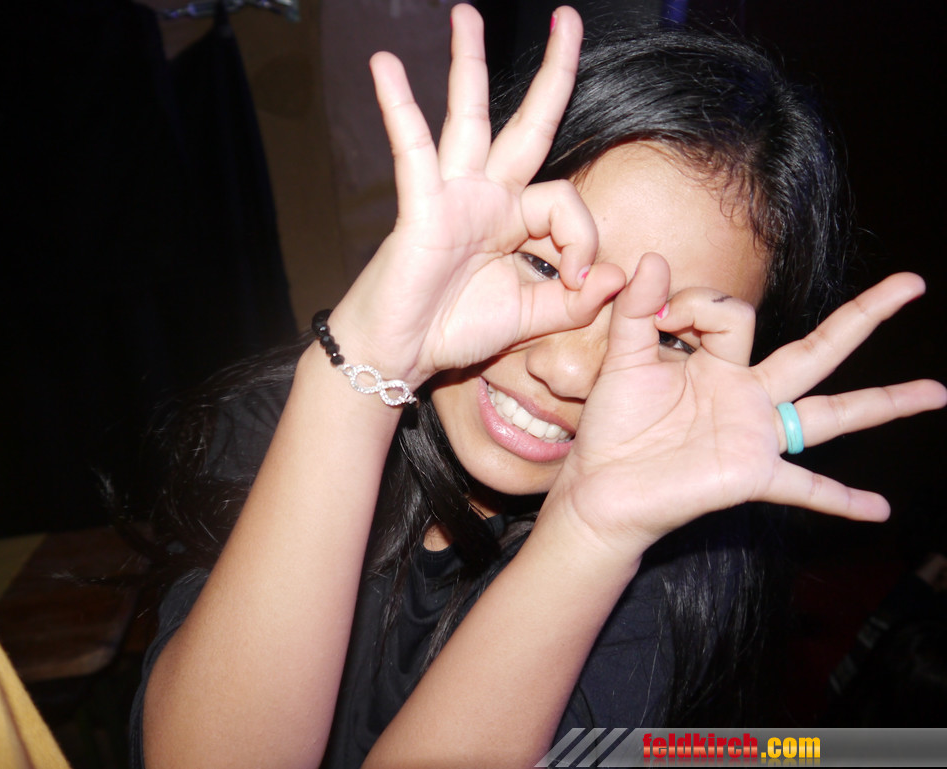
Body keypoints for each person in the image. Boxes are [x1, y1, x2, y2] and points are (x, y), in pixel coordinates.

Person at [130, 6, 947, 768]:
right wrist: (360, 369)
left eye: (667, 339)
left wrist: (591, 533)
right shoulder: (291, 421)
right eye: (543, 265)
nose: (568, 371)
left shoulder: (664, 589)